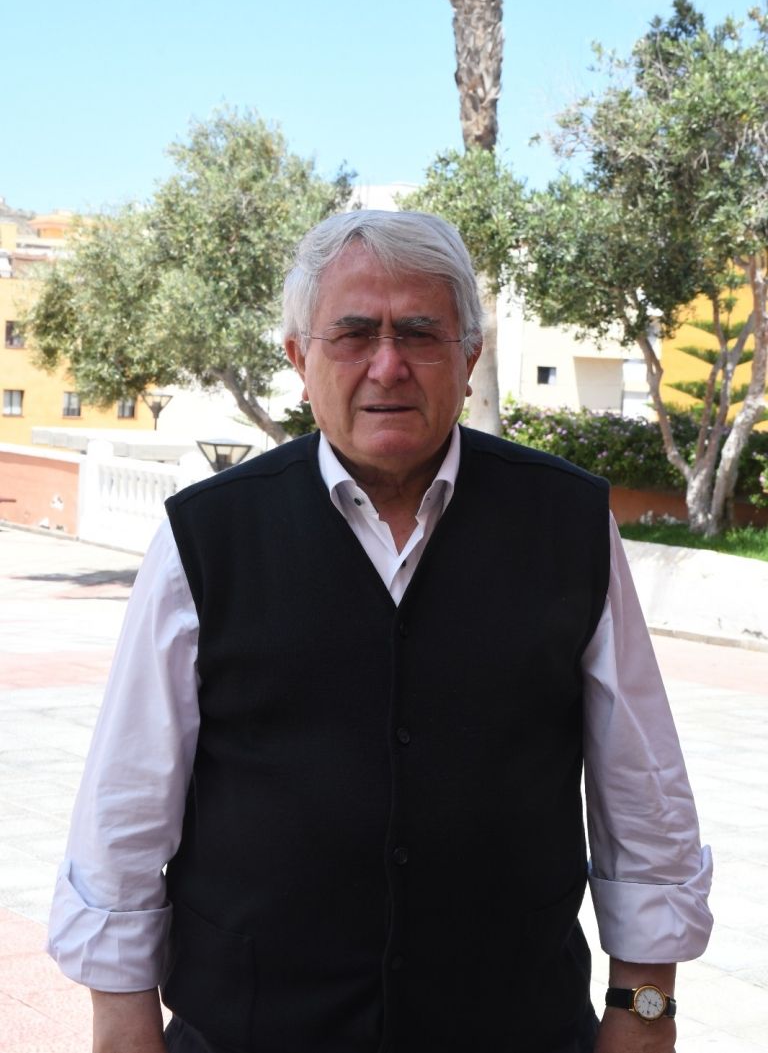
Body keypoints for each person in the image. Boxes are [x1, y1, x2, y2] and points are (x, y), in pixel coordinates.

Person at [48, 210, 712, 1053]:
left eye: (421, 334)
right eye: (354, 333)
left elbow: (644, 794)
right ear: (300, 358)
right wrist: (122, 1024)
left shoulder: (569, 523)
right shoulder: (205, 538)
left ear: (469, 357)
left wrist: (645, 1008)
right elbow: (126, 807)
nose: (388, 365)